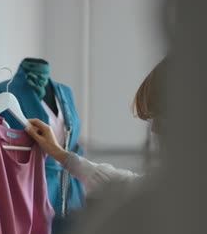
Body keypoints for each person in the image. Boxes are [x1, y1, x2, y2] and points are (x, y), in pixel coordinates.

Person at [25, 58, 166, 194]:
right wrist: (59, 153)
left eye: (162, 117)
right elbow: (130, 186)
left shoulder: (64, 92)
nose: (154, 130)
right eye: (152, 119)